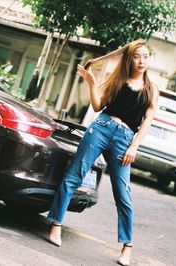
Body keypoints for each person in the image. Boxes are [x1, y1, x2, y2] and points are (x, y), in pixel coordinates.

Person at [46, 39, 159, 266]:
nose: (142, 61)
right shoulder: (118, 80)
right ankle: (56, 224)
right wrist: (91, 84)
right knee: (75, 175)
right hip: (101, 128)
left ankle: (127, 246)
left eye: (145, 56)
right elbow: (98, 107)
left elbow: (148, 120)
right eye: (137, 56)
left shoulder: (152, 89)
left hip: (126, 140)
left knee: (123, 192)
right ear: (129, 59)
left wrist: (134, 146)